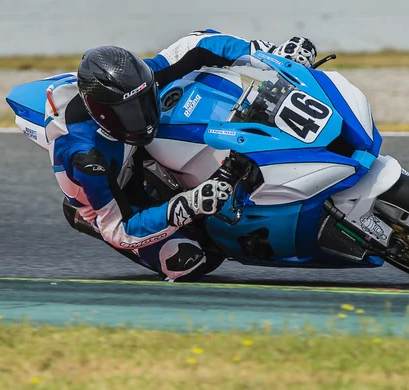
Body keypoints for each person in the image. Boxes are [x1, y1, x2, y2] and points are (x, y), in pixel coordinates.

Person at [45, 30, 317, 281]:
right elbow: (119, 229)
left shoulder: (137, 81)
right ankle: (91, 217)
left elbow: (197, 44)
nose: (142, 117)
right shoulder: (87, 157)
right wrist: (186, 206)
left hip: (129, 146)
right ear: (101, 113)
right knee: (190, 262)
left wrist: (269, 55)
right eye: (129, 113)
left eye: (143, 102)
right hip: (116, 192)